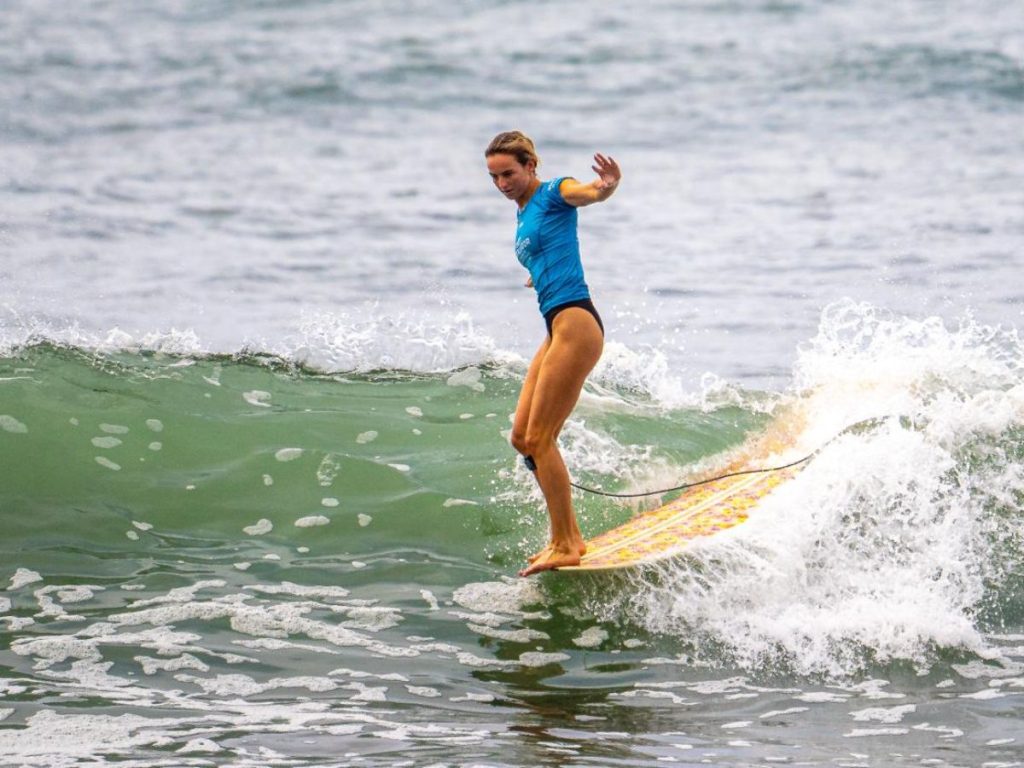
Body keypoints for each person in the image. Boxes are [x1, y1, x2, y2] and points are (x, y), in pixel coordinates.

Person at [485, 130, 621, 576]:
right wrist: (538, 273)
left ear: (530, 165)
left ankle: (566, 543)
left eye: (508, 173)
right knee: (522, 438)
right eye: (494, 177)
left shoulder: (554, 192)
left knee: (540, 438)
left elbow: (588, 193)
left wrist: (605, 186)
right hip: (555, 326)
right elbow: (547, 252)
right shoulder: (524, 213)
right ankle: (565, 536)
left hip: (576, 323)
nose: (502, 184)